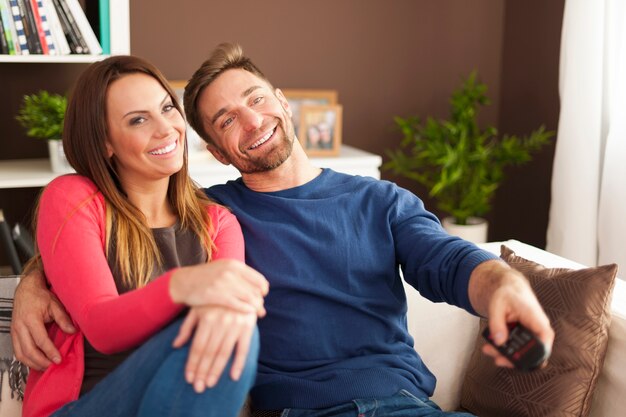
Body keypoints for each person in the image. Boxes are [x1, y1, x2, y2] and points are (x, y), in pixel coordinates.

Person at [13, 44, 554, 417]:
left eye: (255, 99)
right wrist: (35, 279)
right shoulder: (212, 212)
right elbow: (112, 236)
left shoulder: (375, 201)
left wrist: (503, 284)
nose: (250, 121)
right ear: (218, 152)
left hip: (401, 403)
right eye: (225, 120)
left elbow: (449, 261)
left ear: (281, 100)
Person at [16, 55, 269, 417]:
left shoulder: (217, 222)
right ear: (105, 143)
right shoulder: (74, 198)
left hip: (177, 401)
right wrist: (183, 285)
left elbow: (230, 312)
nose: (166, 128)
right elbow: (101, 326)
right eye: (138, 120)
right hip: (86, 405)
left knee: (230, 327)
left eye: (167, 108)